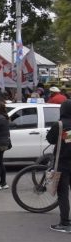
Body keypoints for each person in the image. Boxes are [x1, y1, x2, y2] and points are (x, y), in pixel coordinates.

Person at [47, 100, 71, 233]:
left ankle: (65, 223)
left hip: (62, 163)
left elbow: (50, 139)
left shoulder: (60, 124)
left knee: (62, 193)